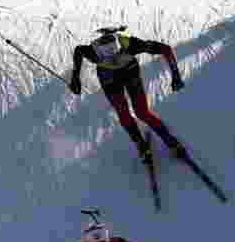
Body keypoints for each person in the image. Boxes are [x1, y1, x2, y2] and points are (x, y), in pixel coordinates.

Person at [70, 27, 187, 163]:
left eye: (116, 55)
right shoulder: (101, 50)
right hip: (120, 74)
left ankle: (148, 144)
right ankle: (159, 142)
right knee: (129, 113)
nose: (114, 60)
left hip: (116, 75)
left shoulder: (128, 43)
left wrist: (75, 77)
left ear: (120, 47)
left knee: (140, 112)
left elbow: (79, 51)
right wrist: (175, 75)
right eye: (108, 57)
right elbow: (165, 49)